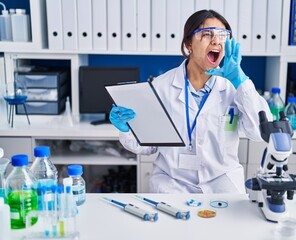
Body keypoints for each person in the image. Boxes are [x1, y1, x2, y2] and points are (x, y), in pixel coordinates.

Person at [109, 9, 272, 193]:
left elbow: (260, 132)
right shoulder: (161, 87)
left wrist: (241, 81)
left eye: (222, 35)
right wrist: (127, 130)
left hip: (221, 183)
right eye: (207, 34)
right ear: (189, 44)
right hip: (172, 183)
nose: (216, 40)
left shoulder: (236, 88)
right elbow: (148, 146)